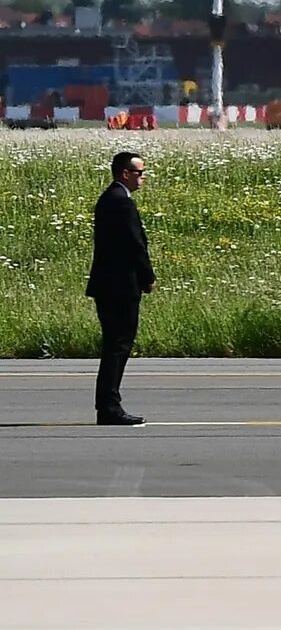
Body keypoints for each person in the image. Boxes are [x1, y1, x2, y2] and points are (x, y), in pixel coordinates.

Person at [86, 151, 154, 426]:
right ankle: (109, 406)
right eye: (140, 173)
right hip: (120, 286)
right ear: (125, 173)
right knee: (118, 346)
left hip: (107, 285)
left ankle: (108, 404)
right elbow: (134, 244)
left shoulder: (109, 199)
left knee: (114, 345)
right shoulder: (121, 202)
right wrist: (147, 276)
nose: (143, 177)